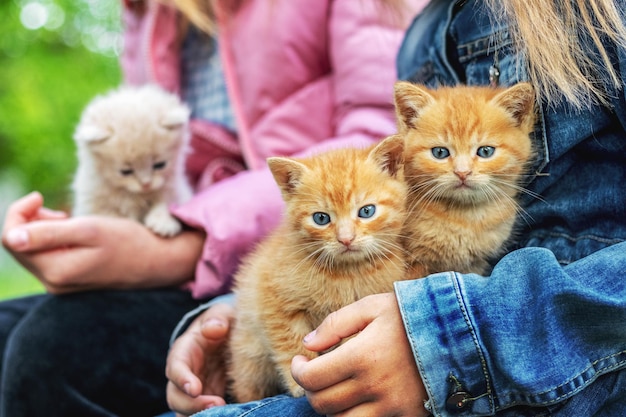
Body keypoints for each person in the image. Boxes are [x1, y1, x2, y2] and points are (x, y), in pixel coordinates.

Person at [164, 0, 626, 416]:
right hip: (404, 340)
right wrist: (236, 312)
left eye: (482, 153)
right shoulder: (420, 31)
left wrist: (441, 341)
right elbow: (350, 231)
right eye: (442, 154)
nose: (463, 171)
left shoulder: (596, 14)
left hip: (547, 366)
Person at [0, 0, 425, 416]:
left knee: (51, 349)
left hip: (252, 247)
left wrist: (178, 244)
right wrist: (108, 230)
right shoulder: (146, 10)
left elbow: (382, 134)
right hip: (213, 259)